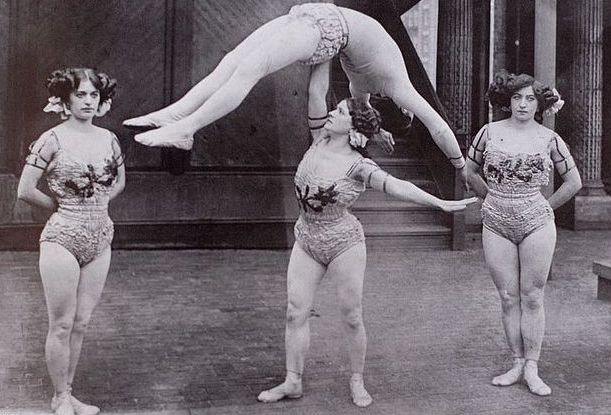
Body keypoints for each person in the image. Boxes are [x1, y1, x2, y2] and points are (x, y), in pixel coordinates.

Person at [256, 62, 477, 407]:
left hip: (343, 243)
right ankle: (292, 381)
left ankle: (357, 380)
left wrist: (439, 202)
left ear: (355, 129)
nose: (332, 112)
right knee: (295, 312)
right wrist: (327, 49)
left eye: (341, 111)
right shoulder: (318, 138)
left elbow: (398, 186)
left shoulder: (359, 166)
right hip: (307, 238)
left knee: (351, 316)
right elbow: (315, 91)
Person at [123, 2, 467, 182]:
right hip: (322, 17)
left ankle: (186, 129)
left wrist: (459, 166)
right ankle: (175, 114)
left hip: (328, 28)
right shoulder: (384, 86)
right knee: (234, 61)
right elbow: (432, 126)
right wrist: (461, 165)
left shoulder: (385, 88)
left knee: (248, 67)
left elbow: (372, 116)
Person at [466, 71, 582, 396]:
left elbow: (573, 182)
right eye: (517, 97)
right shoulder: (489, 132)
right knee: (507, 297)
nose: (522, 104)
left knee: (532, 295)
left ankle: (532, 367)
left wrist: (546, 207)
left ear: (539, 104)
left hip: (536, 222)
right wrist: (489, 197)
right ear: (507, 100)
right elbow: (469, 170)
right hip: (496, 221)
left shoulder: (549, 138)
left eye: (530, 98)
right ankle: (516, 363)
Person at [17, 68, 125, 415]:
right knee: (62, 323)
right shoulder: (52, 139)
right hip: (62, 238)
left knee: (81, 323)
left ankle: (69, 392)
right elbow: (25, 189)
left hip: (101, 238)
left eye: (94, 95)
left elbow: (120, 182)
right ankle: (59, 397)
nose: (88, 101)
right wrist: (62, 208)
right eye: (80, 94)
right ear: (65, 99)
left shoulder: (109, 139)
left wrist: (97, 205)